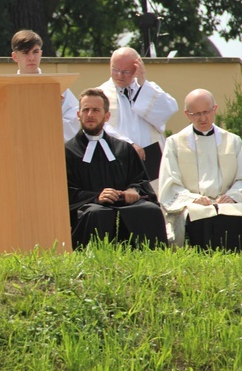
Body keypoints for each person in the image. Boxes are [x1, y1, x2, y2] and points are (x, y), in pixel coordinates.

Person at [66, 88, 167, 249]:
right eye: (85, 110)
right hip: (90, 205)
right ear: (78, 114)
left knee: (150, 210)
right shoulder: (68, 152)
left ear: (107, 116)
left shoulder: (124, 149)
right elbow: (67, 191)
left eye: (96, 110)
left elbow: (140, 180)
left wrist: (134, 190)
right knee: (97, 213)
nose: (90, 114)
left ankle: (154, 259)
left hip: (125, 203)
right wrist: (96, 197)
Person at [158, 89, 242, 250]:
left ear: (215, 109)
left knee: (231, 215)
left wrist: (232, 196)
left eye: (206, 112)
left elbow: (241, 178)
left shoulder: (233, 141)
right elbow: (170, 182)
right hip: (193, 205)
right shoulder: (174, 143)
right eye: (196, 114)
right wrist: (192, 199)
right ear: (187, 114)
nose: (203, 118)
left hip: (227, 202)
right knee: (200, 215)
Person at [98, 46, 178, 159]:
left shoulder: (149, 88)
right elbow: (101, 127)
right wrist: (129, 145)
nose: (120, 75)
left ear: (136, 69)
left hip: (150, 157)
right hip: (118, 156)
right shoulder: (100, 94)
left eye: (126, 71)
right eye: (115, 70)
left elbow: (169, 109)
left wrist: (143, 85)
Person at [11, 29, 80, 141]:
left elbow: (74, 119)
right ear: (15, 57)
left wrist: (52, 113)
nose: (31, 58)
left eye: (35, 52)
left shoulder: (57, 86)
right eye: (25, 53)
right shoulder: (7, 88)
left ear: (41, 53)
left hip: (50, 147)